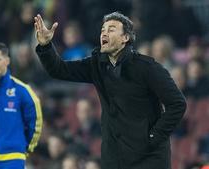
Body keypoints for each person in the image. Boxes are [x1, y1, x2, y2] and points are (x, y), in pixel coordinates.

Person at [34, 12, 186, 169]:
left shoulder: (147, 68)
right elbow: (60, 70)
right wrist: (46, 46)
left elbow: (177, 104)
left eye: (111, 29)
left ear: (125, 38)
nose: (104, 33)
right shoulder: (96, 65)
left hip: (148, 158)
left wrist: (154, 136)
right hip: (114, 157)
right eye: (102, 30)